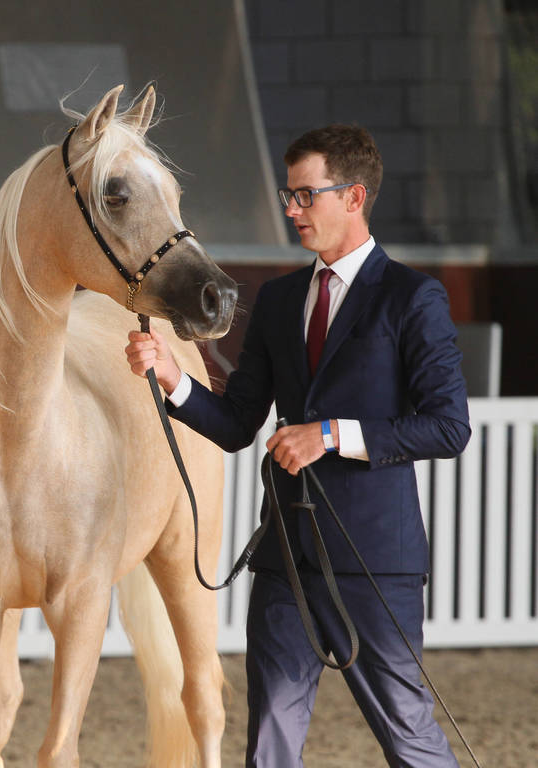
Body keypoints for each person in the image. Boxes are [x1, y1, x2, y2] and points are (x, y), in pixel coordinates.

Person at [125, 124, 471, 767]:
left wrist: (332, 435)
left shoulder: (412, 297)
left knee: (408, 738)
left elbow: (449, 427)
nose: (292, 210)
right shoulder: (280, 299)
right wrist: (173, 378)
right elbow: (237, 424)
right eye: (290, 195)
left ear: (354, 196)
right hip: (285, 559)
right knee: (269, 744)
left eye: (306, 195)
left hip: (375, 564)